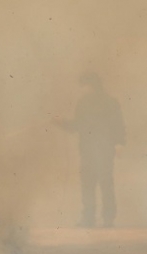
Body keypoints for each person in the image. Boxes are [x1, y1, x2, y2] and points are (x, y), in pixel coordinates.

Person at [55, 72, 125, 227]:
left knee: (101, 183)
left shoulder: (107, 103)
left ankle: (101, 218)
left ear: (92, 85)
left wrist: (119, 143)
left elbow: (118, 124)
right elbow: (78, 125)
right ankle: (96, 218)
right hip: (91, 149)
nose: (82, 89)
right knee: (93, 184)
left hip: (102, 149)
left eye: (84, 85)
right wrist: (62, 123)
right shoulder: (88, 102)